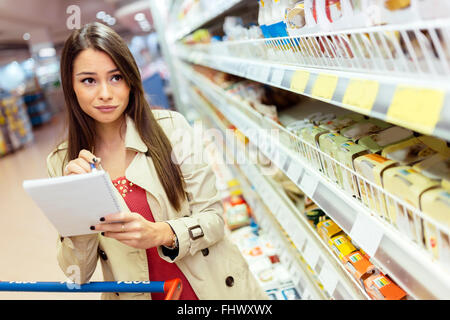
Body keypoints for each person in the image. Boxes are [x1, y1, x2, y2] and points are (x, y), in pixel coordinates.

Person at [46, 22, 267, 300]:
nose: (105, 93)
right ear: (71, 86)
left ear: (130, 78)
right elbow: (75, 273)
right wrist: (78, 208)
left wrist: (162, 233)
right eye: (89, 80)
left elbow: (213, 221)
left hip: (209, 290)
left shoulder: (172, 130)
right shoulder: (63, 164)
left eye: (115, 77)